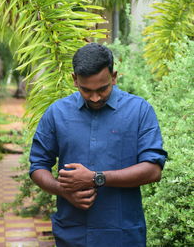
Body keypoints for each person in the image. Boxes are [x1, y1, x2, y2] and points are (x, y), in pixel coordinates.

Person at [29, 43, 167, 247]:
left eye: (102, 89)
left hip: (123, 236)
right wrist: (62, 190)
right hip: (71, 234)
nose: (95, 97)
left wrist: (96, 178)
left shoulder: (140, 111)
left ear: (114, 76)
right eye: (86, 90)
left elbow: (153, 170)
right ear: (75, 79)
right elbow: (38, 166)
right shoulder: (57, 113)